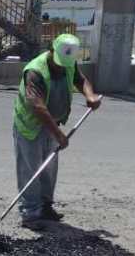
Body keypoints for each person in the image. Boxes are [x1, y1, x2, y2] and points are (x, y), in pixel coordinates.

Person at [13, 33, 101, 230]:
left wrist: (90, 95)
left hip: (53, 123)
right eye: (59, 63)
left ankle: (45, 207)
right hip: (30, 125)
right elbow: (37, 106)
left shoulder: (68, 62)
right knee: (30, 169)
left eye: (65, 64)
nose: (62, 67)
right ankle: (30, 214)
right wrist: (58, 135)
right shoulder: (35, 71)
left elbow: (81, 80)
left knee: (49, 168)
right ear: (51, 50)